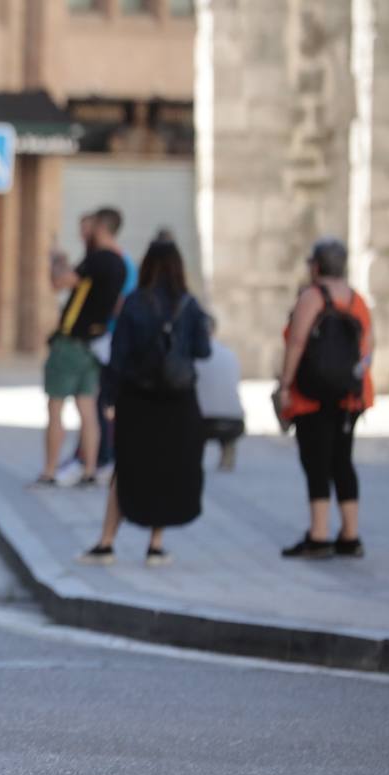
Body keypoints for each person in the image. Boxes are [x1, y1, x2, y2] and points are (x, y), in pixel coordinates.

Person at [79, 239, 211, 567]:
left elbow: (118, 357)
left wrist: (108, 398)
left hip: (137, 402)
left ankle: (106, 542)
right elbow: (203, 350)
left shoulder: (134, 303)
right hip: (179, 402)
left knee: (127, 469)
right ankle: (155, 545)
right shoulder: (189, 305)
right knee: (165, 470)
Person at [276, 237, 375, 559]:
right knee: (342, 460)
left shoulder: (312, 296)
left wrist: (285, 385)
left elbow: (297, 342)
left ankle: (318, 535)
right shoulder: (357, 300)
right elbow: (368, 348)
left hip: (312, 394)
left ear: (316, 266)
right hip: (349, 395)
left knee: (316, 461)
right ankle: (350, 534)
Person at [38, 207, 128, 486]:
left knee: (56, 406)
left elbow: (59, 283)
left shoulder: (98, 259)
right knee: (87, 409)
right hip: (96, 343)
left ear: (100, 228)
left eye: (88, 228)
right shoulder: (121, 263)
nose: (84, 234)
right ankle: (90, 470)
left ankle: (50, 471)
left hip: (71, 344)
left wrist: (56, 261)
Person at [195, 316, 245, 471]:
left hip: (202, 421)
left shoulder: (193, 355)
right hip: (234, 421)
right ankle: (227, 456)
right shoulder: (229, 353)